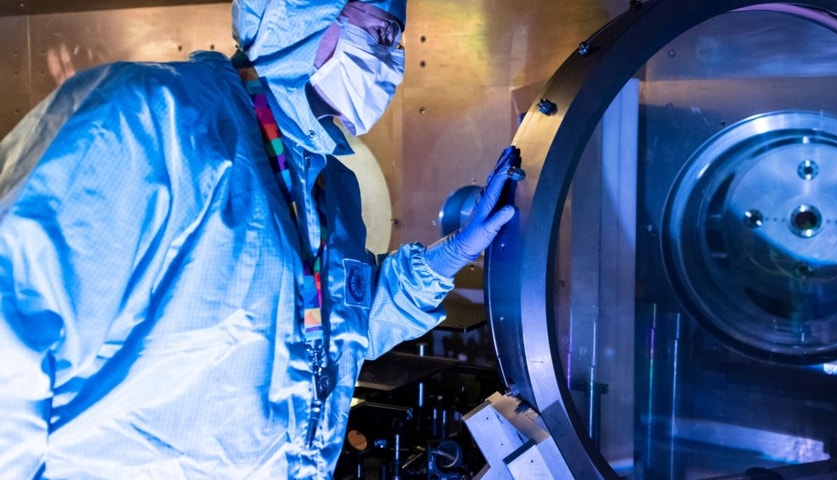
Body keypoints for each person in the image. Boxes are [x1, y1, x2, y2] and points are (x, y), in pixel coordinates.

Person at [0, 0, 517, 477]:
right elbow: (13, 328)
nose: (392, 59)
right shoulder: (154, 121)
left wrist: (449, 256)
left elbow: (337, 329)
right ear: (302, 12)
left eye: (396, 38)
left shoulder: (331, 184)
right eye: (379, 30)